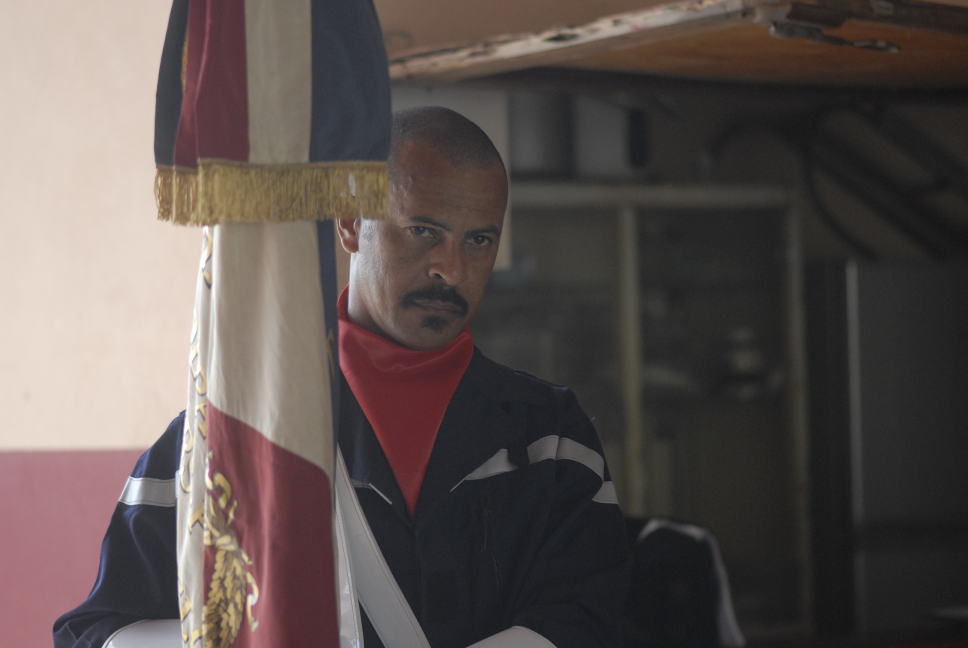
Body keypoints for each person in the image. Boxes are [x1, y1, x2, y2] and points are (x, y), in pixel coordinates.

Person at [54, 107, 629, 648]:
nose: (450, 269)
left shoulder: (551, 439)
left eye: (478, 240)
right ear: (351, 223)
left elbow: (592, 623)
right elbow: (96, 633)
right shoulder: (230, 440)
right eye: (423, 230)